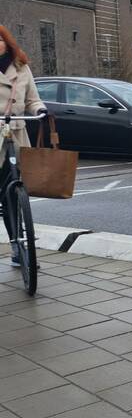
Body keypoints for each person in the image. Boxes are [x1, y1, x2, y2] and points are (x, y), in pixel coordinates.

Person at [0, 25, 48, 266]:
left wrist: (40, 110)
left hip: (15, 135)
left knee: (14, 193)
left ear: (7, 42)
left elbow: (33, 99)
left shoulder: (21, 66)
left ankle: (18, 245)